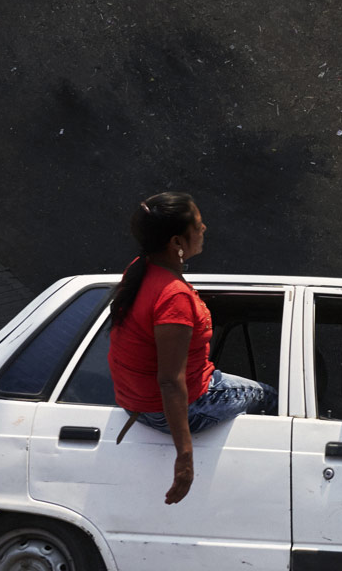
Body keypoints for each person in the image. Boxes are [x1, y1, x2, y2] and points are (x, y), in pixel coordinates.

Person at [107, 192, 276, 504]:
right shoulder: (174, 298)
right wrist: (185, 457)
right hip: (178, 408)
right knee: (270, 396)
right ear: (176, 243)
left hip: (136, 404)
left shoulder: (140, 269)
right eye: (197, 226)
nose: (204, 228)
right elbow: (170, 381)